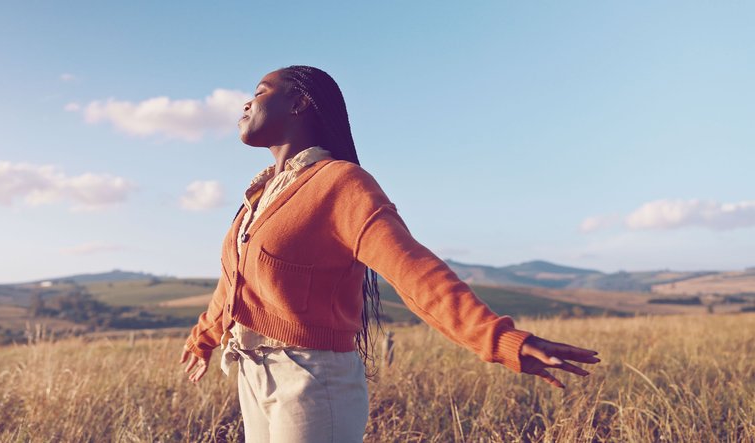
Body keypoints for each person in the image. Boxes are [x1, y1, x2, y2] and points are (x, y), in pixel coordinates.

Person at [180, 65, 600, 442]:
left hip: (310, 382)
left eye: (260, 89)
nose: (246, 101)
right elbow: (233, 285)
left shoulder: (341, 184)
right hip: (252, 373)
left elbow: (412, 269)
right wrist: (204, 339)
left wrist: (496, 337)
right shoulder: (259, 196)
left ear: (298, 102)